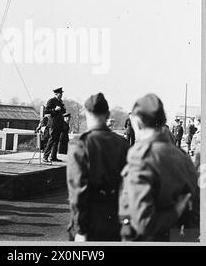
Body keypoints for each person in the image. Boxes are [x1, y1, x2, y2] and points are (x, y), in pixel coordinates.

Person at [119, 94, 200, 242]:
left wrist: (175, 211)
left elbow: (144, 223)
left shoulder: (141, 158)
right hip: (175, 238)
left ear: (138, 122)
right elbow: (196, 212)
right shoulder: (184, 158)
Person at [66, 93, 129, 242]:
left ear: (87, 113)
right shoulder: (122, 144)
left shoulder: (80, 144)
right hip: (116, 219)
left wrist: (80, 229)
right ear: (107, 115)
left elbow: (78, 191)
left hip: (90, 222)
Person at [43, 87, 66, 163]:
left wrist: (62, 109)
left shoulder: (60, 102)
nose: (61, 95)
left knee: (56, 141)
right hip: (53, 124)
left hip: (59, 123)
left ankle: (53, 157)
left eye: (62, 93)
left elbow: (62, 111)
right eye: (60, 94)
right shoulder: (52, 100)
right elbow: (46, 111)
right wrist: (54, 110)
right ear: (56, 94)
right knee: (52, 140)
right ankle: (45, 157)